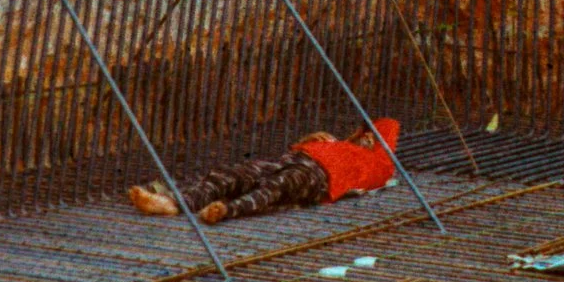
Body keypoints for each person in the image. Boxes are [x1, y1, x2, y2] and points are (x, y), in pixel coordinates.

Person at [126, 119, 403, 224]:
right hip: (298, 158)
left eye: (374, 139)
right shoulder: (337, 142)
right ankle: (175, 204)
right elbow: (297, 148)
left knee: (277, 185)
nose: (367, 140)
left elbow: (381, 161)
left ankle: (227, 210)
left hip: (319, 177)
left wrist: (376, 145)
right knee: (238, 173)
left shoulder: (378, 164)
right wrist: (314, 139)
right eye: (365, 134)